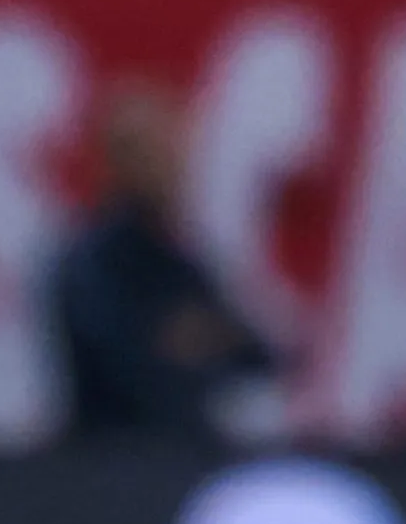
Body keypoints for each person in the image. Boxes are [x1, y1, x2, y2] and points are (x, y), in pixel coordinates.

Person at [46, 82, 279, 440]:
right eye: (148, 151)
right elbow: (125, 369)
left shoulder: (181, 258)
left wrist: (203, 340)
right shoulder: (90, 263)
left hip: (183, 461)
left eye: (173, 147)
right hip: (108, 464)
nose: (169, 163)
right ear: (114, 161)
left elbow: (260, 354)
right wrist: (193, 344)